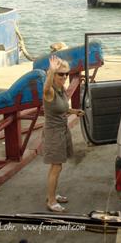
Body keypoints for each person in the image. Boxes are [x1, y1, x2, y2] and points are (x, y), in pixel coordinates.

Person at [43, 55, 84, 212]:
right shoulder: (50, 91)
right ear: (53, 75)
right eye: (61, 74)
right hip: (53, 134)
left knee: (56, 166)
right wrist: (51, 72)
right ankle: (51, 201)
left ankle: (52, 194)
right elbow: (45, 89)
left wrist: (74, 111)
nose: (65, 77)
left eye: (66, 73)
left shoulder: (61, 90)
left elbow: (63, 108)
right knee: (56, 167)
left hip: (62, 130)